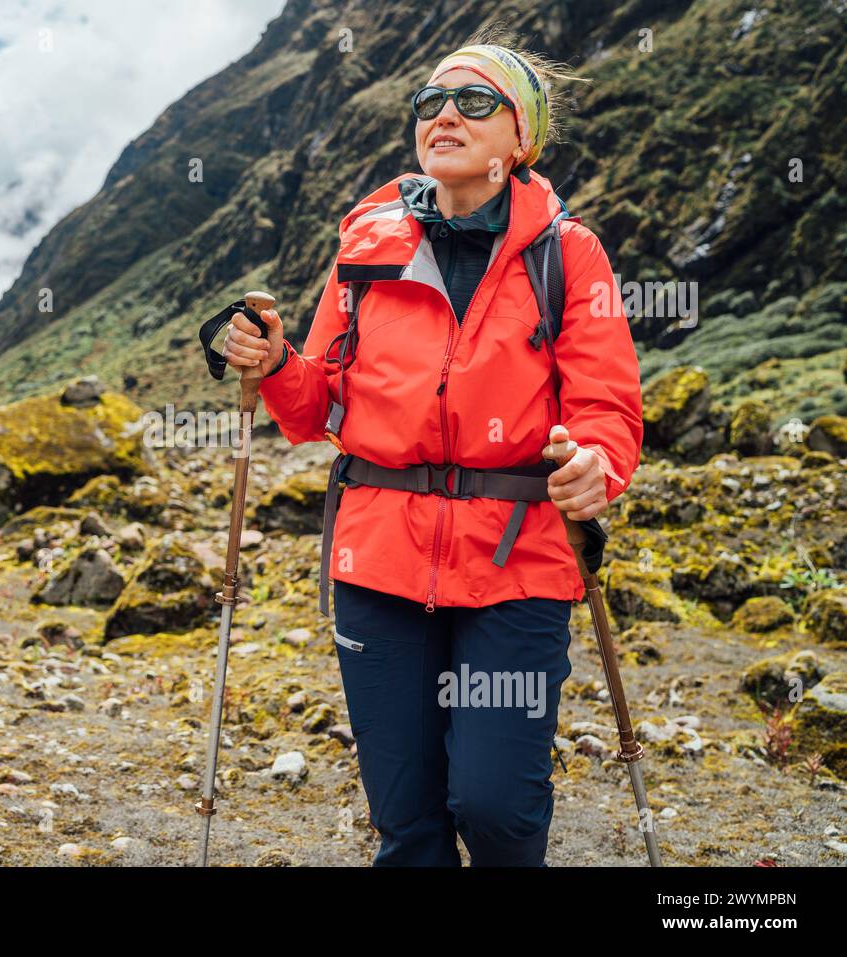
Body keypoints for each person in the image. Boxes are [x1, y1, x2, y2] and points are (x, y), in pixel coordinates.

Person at [222, 34, 644, 866]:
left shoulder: (568, 254)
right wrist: (276, 365)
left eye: (475, 101)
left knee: (495, 808)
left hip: (516, 565)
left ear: (520, 137)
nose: (445, 115)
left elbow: (607, 408)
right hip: (378, 558)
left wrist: (596, 463)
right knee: (406, 819)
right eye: (429, 103)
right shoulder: (366, 249)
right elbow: (320, 406)